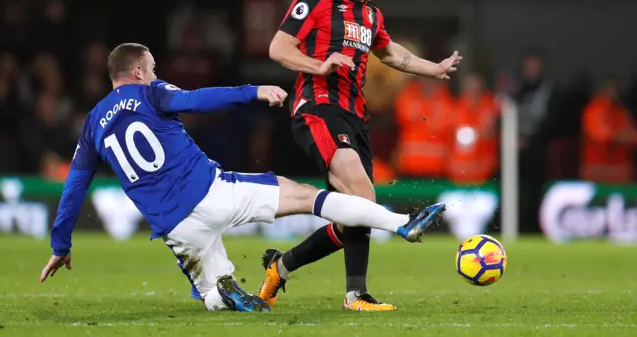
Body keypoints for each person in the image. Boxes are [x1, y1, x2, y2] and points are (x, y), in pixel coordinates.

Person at [38, 43, 446, 312]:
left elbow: (75, 184)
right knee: (307, 197)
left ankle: (224, 293)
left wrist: (60, 244)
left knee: (209, 292)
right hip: (211, 192)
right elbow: (197, 100)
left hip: (174, 228)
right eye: (154, 67)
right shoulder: (150, 91)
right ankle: (402, 224)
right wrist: (253, 91)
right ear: (141, 69)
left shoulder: (93, 124)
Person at [263, 0, 462, 311]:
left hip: (355, 116)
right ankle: (398, 233)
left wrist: (432, 69)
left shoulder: (371, 15)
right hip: (318, 108)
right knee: (362, 194)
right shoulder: (317, 1)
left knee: (355, 211)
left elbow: (391, 53)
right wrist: (319, 65)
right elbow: (279, 48)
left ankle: (283, 266)